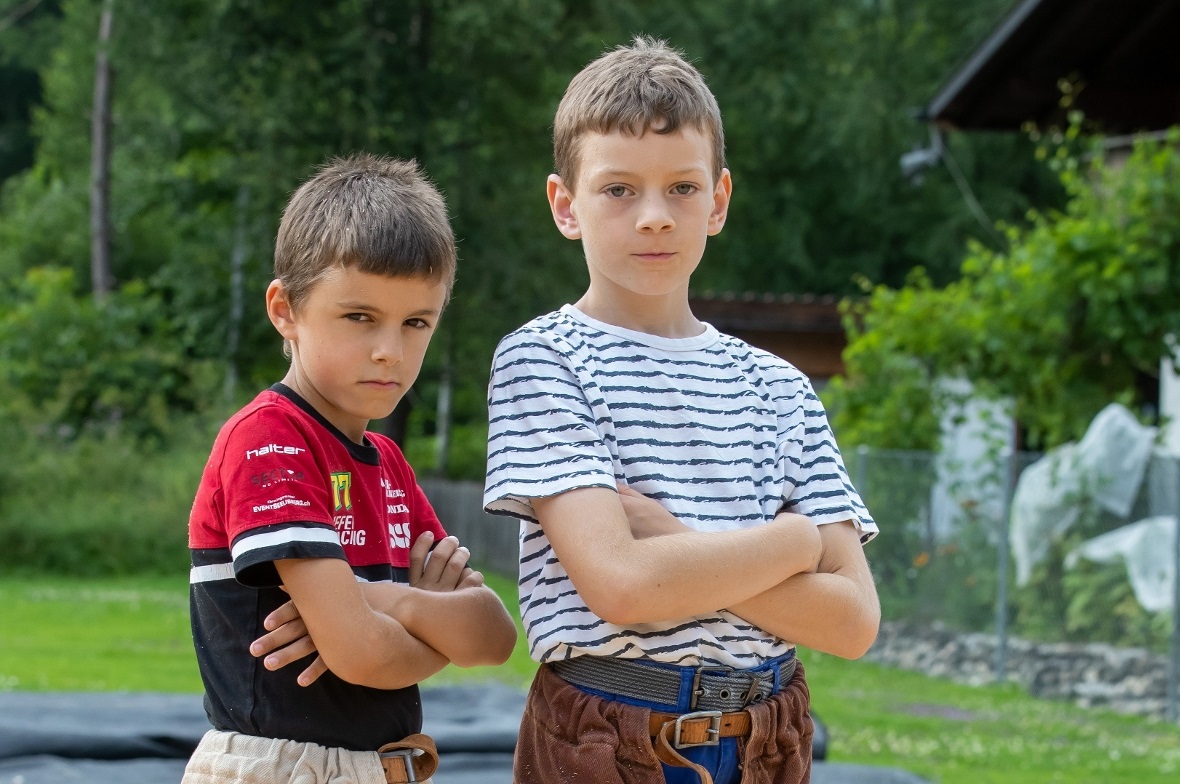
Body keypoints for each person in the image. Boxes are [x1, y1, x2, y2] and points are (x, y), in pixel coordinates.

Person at [483, 38, 880, 784]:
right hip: (608, 737)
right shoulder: (546, 358)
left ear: (719, 200)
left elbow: (854, 622)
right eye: (619, 189)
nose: (656, 217)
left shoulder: (783, 388)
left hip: (769, 737)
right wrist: (796, 543)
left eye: (683, 189)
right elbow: (624, 588)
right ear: (565, 205)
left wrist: (676, 539)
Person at [184, 153, 517, 784]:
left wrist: (382, 600)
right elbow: (361, 654)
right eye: (359, 317)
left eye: (416, 322)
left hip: (385, 768)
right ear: (284, 309)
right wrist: (421, 614)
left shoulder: (387, 463)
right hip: (284, 769)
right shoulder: (269, 440)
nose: (390, 350)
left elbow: (494, 638)